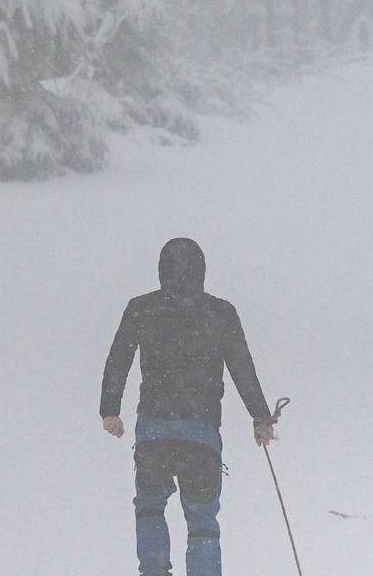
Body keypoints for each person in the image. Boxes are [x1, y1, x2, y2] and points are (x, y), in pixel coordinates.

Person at [100, 237, 276, 576]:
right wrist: (261, 417)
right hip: (202, 430)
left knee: (150, 506)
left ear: (161, 270)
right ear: (202, 271)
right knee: (202, 520)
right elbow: (242, 366)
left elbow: (118, 359)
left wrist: (111, 409)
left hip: (154, 429)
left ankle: (153, 571)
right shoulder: (221, 313)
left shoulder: (142, 308)